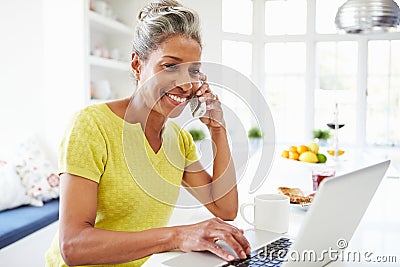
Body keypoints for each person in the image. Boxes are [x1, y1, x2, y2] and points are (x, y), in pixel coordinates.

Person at [45, 0, 250, 266]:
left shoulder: (179, 140)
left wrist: (218, 130)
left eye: (194, 70)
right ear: (137, 64)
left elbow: (226, 208)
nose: (185, 83)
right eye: (169, 66)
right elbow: (73, 246)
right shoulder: (91, 126)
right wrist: (177, 236)